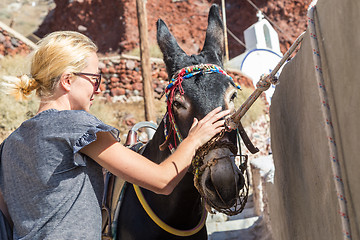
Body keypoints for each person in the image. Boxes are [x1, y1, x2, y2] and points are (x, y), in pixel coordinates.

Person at [0, 31, 229, 240]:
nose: (98, 89)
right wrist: (195, 139)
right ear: (68, 80)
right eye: (95, 79)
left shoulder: (9, 145)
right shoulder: (77, 126)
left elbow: (7, 222)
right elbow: (162, 181)